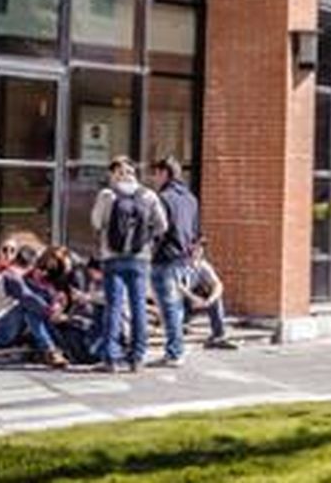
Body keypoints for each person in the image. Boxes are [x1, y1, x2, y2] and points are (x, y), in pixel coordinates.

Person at [90, 156, 166, 371]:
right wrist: (146, 239)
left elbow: (96, 222)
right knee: (138, 306)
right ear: (133, 172)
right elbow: (162, 225)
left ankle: (112, 358)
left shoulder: (107, 195)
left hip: (112, 257)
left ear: (114, 174)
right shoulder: (148, 195)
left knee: (114, 307)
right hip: (140, 259)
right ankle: (137, 358)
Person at [0, 244, 68, 368]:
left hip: (1, 328)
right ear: (29, 265)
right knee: (26, 307)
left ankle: (52, 348)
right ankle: (50, 349)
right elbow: (27, 297)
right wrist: (50, 312)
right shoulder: (10, 278)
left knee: (33, 307)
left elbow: (40, 292)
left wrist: (55, 301)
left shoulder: (14, 276)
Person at [149, 157, 200, 367]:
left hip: (165, 258)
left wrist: (149, 251)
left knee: (169, 306)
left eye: (156, 173)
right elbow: (196, 231)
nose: (154, 178)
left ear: (165, 174)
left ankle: (174, 352)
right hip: (184, 258)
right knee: (176, 306)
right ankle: (176, 349)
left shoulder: (163, 198)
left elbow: (159, 230)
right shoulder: (190, 198)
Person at [178, 238, 238, 350]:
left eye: (201, 247)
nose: (199, 250)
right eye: (196, 247)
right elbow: (177, 286)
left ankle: (218, 336)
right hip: (181, 301)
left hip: (194, 302)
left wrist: (209, 300)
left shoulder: (203, 265)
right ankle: (179, 328)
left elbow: (218, 284)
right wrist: (194, 298)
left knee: (215, 298)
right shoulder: (179, 264)